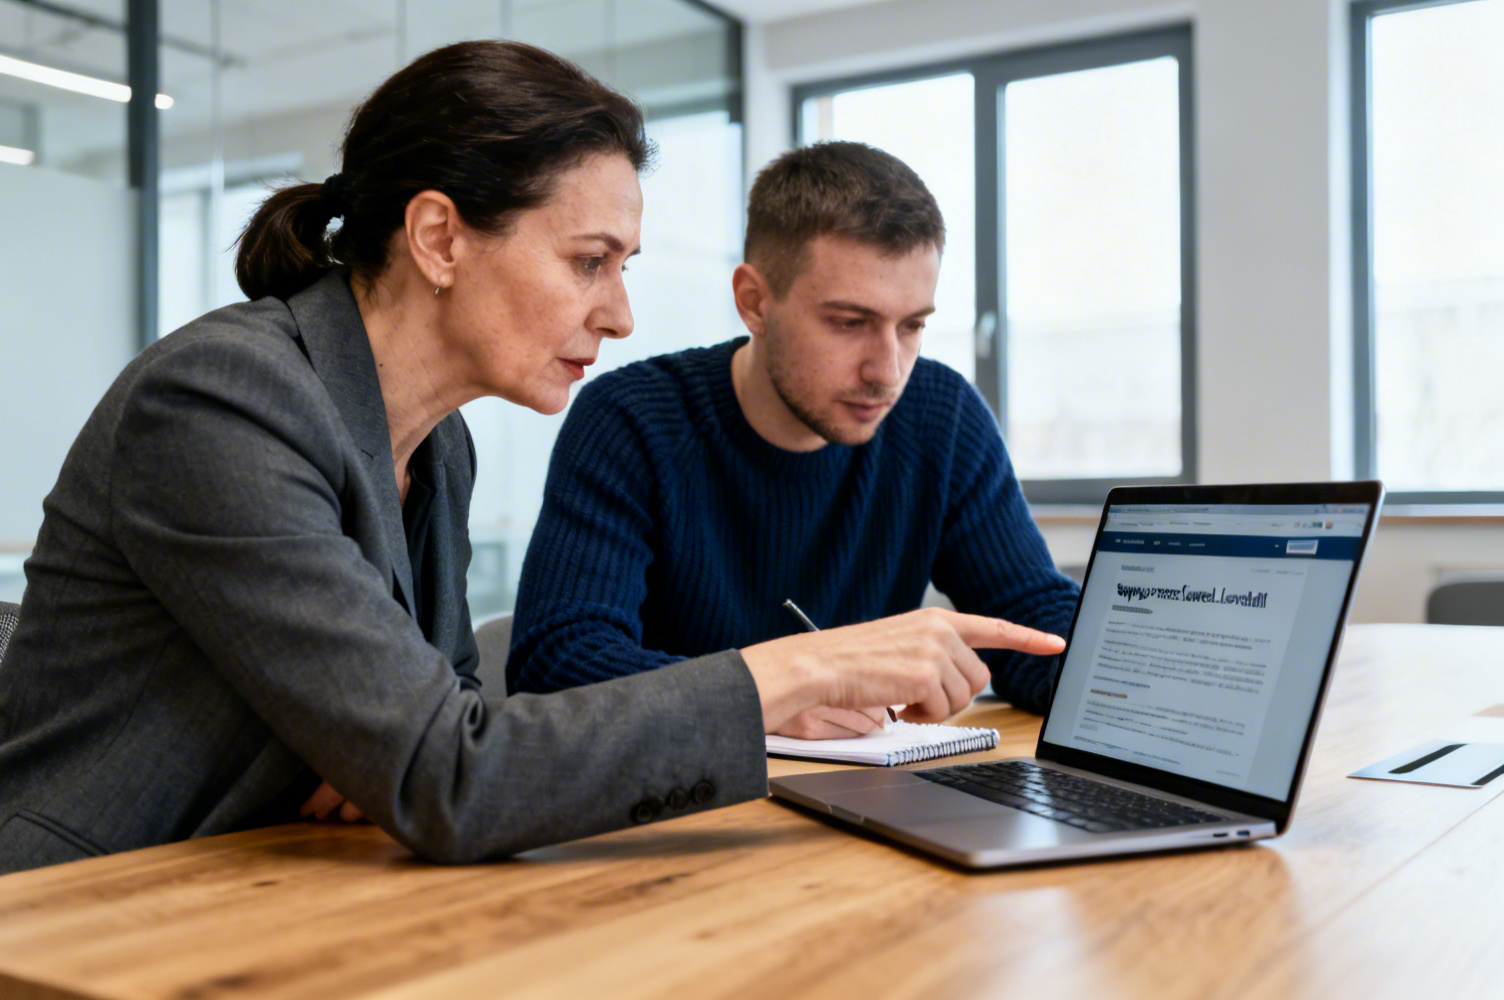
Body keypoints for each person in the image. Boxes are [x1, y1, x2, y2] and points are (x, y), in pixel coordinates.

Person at [0, 43, 1065, 876]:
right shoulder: (224, 401)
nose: (620, 312)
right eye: (588, 262)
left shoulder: (434, 440)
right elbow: (458, 769)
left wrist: (405, 759)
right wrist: (805, 667)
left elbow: (452, 726)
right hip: (74, 908)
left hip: (271, 882)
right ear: (439, 238)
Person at [508, 141, 1081, 737]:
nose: (887, 370)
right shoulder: (632, 422)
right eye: (849, 323)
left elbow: (1035, 623)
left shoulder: (942, 416)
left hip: (872, 794)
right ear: (754, 302)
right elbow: (557, 667)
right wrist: (778, 691)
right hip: (693, 808)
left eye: (912, 326)